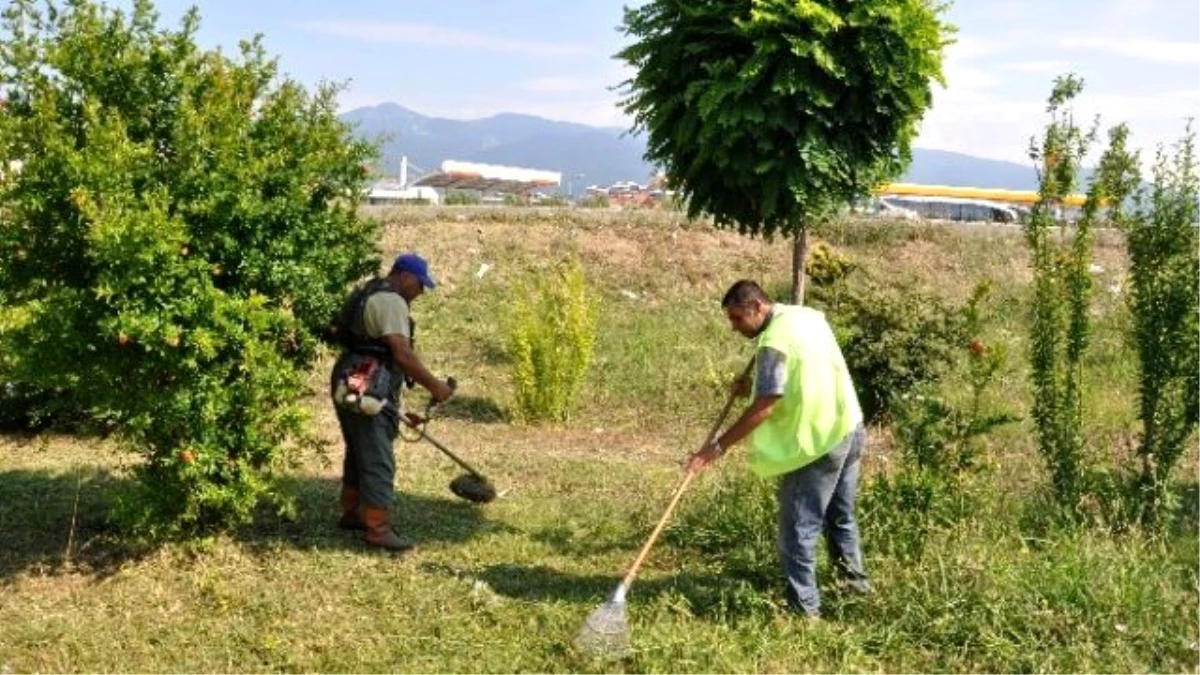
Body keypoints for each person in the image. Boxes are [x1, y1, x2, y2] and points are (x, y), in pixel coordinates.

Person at [687, 279, 870, 617]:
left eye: (738, 318)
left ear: (758, 306)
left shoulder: (773, 342)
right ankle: (856, 594)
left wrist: (717, 448)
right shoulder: (804, 316)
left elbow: (766, 406)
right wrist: (754, 384)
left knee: (798, 531)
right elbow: (804, 370)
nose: (734, 327)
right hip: (848, 425)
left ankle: (804, 614)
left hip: (816, 444)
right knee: (840, 517)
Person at [330, 252, 454, 552]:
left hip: (351, 376)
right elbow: (401, 354)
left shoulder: (369, 290)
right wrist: (436, 387)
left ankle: (353, 512)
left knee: (360, 450)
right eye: (420, 285)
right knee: (377, 459)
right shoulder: (392, 301)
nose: (421, 292)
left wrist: (397, 408)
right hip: (370, 381)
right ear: (405, 276)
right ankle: (378, 529)